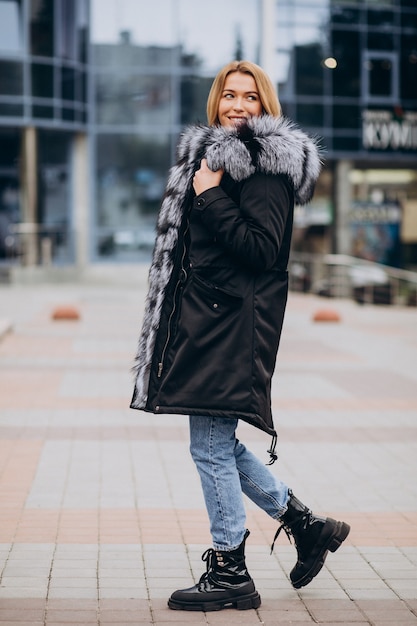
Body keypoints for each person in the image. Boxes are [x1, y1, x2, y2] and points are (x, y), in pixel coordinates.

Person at [131, 60, 350, 612]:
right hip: (208, 322)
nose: (236, 105)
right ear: (215, 101)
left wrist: (208, 196)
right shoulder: (215, 158)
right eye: (228, 95)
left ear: (265, 105)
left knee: (208, 447)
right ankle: (305, 524)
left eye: (249, 97)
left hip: (231, 325)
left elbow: (263, 250)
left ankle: (230, 568)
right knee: (214, 444)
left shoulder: (266, 166)